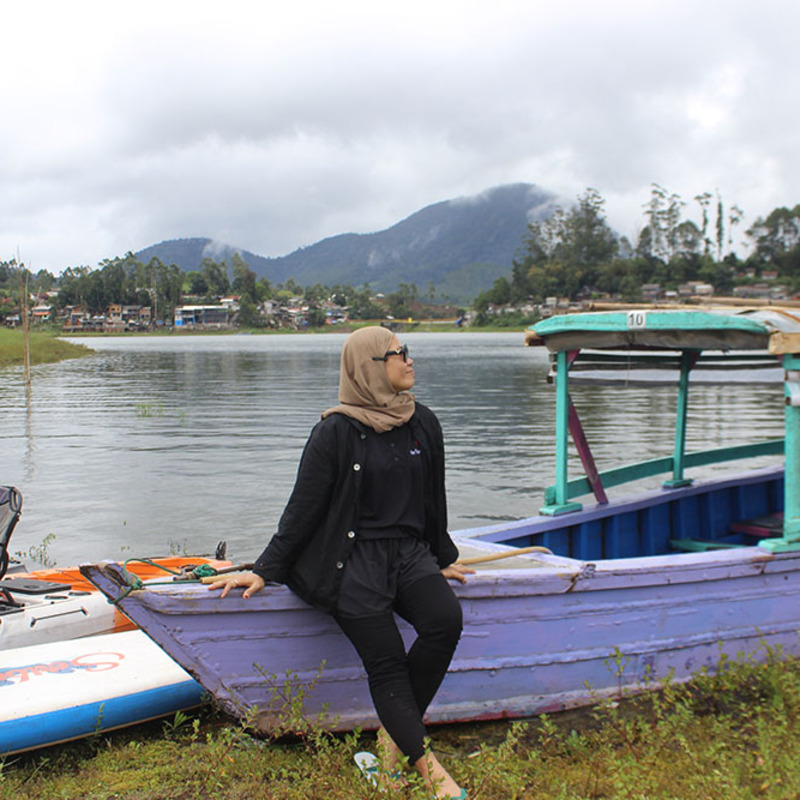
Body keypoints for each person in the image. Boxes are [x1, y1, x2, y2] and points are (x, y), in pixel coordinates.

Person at [209, 326, 473, 799]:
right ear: (370, 366)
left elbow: (434, 501)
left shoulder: (423, 422)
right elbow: (302, 509)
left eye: (407, 352)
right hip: (351, 563)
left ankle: (391, 742)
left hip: (409, 555)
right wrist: (266, 568)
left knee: (445, 620)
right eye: (399, 354)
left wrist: (442, 556)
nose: (409, 361)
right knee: (388, 663)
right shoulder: (334, 431)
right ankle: (431, 772)